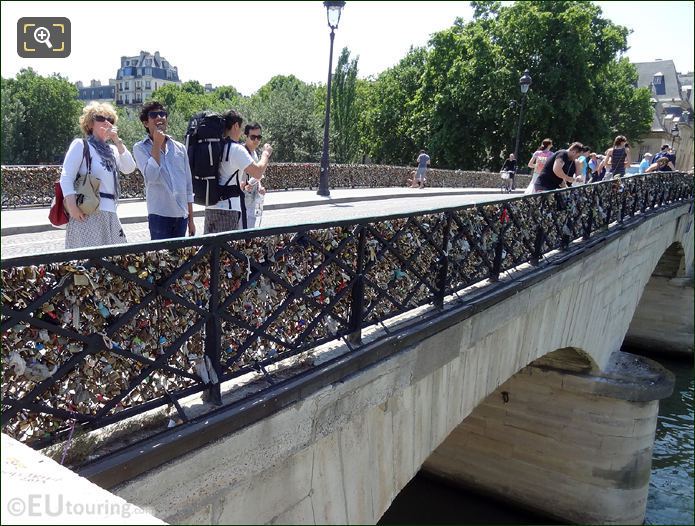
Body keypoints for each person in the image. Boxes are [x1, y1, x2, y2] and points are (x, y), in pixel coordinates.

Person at [60, 102, 136, 249]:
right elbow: (66, 176)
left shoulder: (113, 150)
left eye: (111, 120)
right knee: (88, 265)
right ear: (90, 124)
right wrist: (72, 207)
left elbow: (129, 168)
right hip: (87, 211)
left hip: (110, 212)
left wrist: (118, 141)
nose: (107, 122)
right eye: (101, 118)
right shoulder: (81, 145)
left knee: (115, 261)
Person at [133, 101, 195, 240]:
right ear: (145, 123)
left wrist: (191, 219)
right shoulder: (140, 148)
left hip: (181, 215)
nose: (159, 117)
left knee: (181, 260)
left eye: (162, 114)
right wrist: (156, 144)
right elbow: (151, 176)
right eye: (154, 115)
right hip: (159, 215)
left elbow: (188, 185)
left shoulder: (180, 148)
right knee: (161, 260)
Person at [204, 110, 272, 234]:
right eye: (240, 128)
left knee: (211, 251)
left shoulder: (218, 146)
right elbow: (257, 172)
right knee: (227, 251)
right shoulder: (236, 149)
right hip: (228, 209)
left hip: (210, 207)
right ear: (235, 125)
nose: (241, 132)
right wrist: (266, 154)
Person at [241, 122, 268, 229]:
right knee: (240, 238)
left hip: (252, 202)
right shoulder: (241, 152)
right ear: (245, 136)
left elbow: (257, 175)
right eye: (253, 137)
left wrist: (260, 187)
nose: (256, 140)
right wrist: (244, 185)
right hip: (241, 204)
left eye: (259, 137)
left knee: (250, 235)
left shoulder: (254, 153)